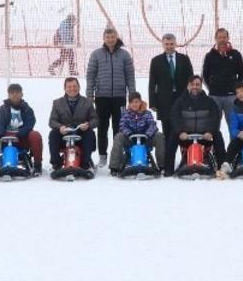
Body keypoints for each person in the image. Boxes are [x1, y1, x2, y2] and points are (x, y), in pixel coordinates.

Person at [86, 27, 135, 166]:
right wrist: (90, 94)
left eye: (112, 37)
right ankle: (102, 155)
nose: (110, 40)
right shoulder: (96, 54)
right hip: (101, 97)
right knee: (102, 127)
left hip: (119, 96)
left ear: (116, 37)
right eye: (107, 37)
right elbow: (90, 75)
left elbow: (130, 76)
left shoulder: (125, 55)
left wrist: (132, 96)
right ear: (104, 38)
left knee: (118, 127)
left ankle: (117, 154)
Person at [167, 74, 228, 175]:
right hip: (186, 137)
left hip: (204, 136)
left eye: (197, 84)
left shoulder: (209, 101)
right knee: (173, 135)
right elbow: (174, 117)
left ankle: (222, 167)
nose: (195, 87)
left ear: (201, 86)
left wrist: (210, 131)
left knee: (218, 135)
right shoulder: (180, 101)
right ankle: (169, 169)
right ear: (188, 86)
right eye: (192, 84)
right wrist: (181, 131)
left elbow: (215, 118)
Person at [0, 82, 43, 175]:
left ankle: (38, 166)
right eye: (12, 92)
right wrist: (4, 134)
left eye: (17, 92)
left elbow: (30, 124)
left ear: (21, 94)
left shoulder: (27, 109)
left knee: (35, 135)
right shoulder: (3, 109)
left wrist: (18, 133)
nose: (15, 94)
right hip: (4, 139)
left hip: (22, 138)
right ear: (8, 95)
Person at [148, 32, 193, 138]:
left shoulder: (184, 59)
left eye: (171, 44)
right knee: (167, 132)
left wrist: (191, 97)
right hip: (164, 101)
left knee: (184, 131)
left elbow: (191, 79)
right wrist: (153, 102)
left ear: (175, 44)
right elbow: (152, 82)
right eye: (166, 44)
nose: (169, 46)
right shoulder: (156, 61)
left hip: (182, 99)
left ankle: (185, 155)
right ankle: (168, 154)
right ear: (163, 45)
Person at [109, 91, 166, 174]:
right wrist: (129, 134)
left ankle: (162, 166)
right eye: (132, 102)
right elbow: (122, 126)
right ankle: (114, 167)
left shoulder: (147, 114)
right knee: (118, 137)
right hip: (130, 141)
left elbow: (152, 125)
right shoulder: (126, 114)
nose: (134, 104)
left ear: (140, 102)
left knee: (159, 136)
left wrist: (147, 135)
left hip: (146, 140)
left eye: (136, 102)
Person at [48, 77, 98, 171]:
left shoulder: (87, 102)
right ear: (65, 88)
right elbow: (52, 121)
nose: (72, 89)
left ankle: (85, 164)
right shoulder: (57, 103)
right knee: (53, 133)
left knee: (90, 133)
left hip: (81, 133)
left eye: (74, 86)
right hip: (64, 133)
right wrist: (60, 127)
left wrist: (87, 124)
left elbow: (95, 119)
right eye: (69, 87)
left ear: (79, 87)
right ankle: (56, 164)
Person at [201, 27, 243, 128]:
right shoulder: (209, 55)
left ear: (228, 38)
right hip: (214, 96)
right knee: (213, 126)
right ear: (216, 39)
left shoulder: (236, 54)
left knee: (233, 125)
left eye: (224, 37)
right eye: (219, 37)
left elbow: (242, 73)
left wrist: (236, 88)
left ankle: (234, 144)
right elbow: (205, 75)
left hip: (231, 96)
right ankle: (215, 144)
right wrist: (212, 87)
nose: (222, 40)